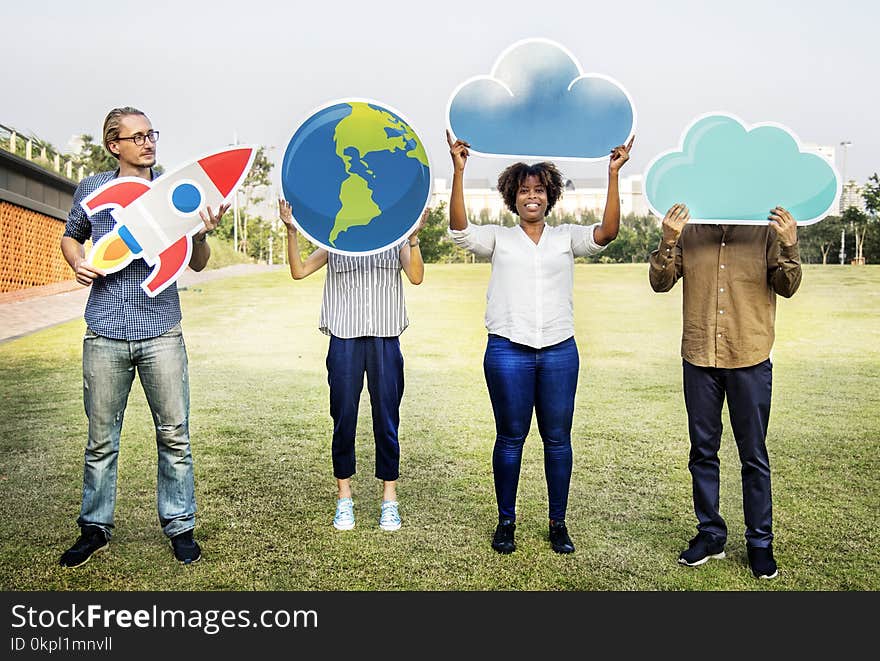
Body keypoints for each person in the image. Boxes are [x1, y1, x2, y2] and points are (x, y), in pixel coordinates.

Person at [446, 129, 634, 554]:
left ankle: (558, 523)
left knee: (557, 439)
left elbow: (607, 233)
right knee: (510, 439)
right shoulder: (499, 238)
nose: (532, 196)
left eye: (540, 190)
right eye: (524, 190)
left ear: (550, 197)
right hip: (507, 351)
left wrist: (613, 174)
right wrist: (459, 171)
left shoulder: (566, 237)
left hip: (558, 351)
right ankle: (506, 522)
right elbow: (459, 231)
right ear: (512, 198)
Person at [59, 106, 227, 567]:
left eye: (151, 133)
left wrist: (202, 231)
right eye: (136, 137)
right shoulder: (94, 189)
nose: (148, 142)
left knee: (175, 435)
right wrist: (77, 261)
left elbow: (197, 262)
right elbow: (71, 236)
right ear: (114, 145)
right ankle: (94, 528)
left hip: (161, 333)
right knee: (101, 440)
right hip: (106, 331)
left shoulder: (175, 191)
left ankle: (180, 526)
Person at [648, 203, 802, 579]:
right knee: (702, 451)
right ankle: (711, 534)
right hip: (699, 357)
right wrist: (668, 241)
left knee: (753, 454)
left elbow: (788, 287)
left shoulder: (763, 229)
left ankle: (759, 543)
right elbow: (660, 282)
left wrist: (790, 246)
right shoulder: (690, 228)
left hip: (748, 355)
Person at [279, 199, 426, 531]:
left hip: (385, 338)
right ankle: (344, 498)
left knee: (387, 418)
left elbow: (416, 276)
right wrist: (291, 231)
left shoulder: (395, 238)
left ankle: (390, 499)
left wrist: (414, 237)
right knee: (343, 417)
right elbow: (299, 270)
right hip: (344, 338)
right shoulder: (337, 239)